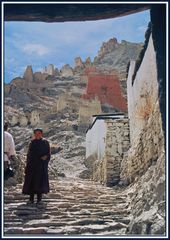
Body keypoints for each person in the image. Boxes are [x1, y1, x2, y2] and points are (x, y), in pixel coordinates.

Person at [22, 128, 51, 205]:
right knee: (32, 182)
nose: (37, 135)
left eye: (39, 133)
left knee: (40, 182)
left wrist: (46, 157)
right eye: (36, 133)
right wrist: (28, 164)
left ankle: (39, 199)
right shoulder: (32, 143)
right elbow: (29, 154)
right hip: (32, 166)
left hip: (41, 166)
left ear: (42, 134)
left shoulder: (45, 142)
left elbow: (48, 153)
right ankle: (31, 199)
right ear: (34, 134)